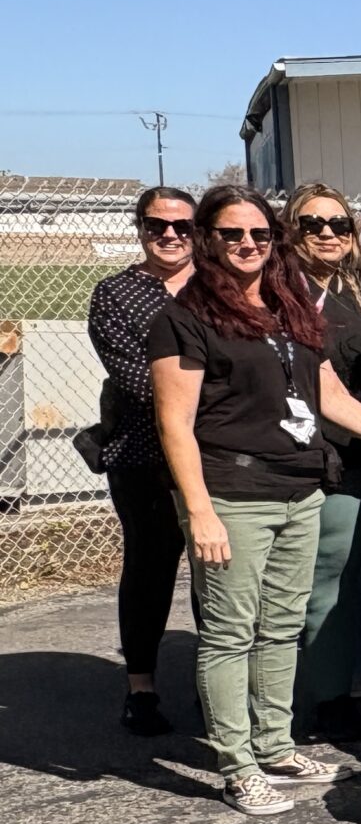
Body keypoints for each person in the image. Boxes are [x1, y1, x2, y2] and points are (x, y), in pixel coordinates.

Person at [150, 186, 361, 814]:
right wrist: (199, 509)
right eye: (232, 235)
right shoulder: (185, 316)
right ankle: (237, 763)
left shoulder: (289, 307)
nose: (248, 245)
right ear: (208, 240)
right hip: (232, 490)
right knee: (231, 632)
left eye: (258, 235)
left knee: (281, 626)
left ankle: (275, 743)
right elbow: (174, 423)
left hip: (300, 487)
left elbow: (325, 392)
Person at [283, 181, 361, 739]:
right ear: (290, 229)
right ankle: (319, 701)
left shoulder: (353, 293)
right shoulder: (283, 291)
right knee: (321, 578)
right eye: (313, 224)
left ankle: (337, 686)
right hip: (313, 456)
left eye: (338, 224)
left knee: (348, 577)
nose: (328, 233)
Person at [87, 185, 196, 735]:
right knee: (151, 568)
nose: (171, 235)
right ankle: (142, 687)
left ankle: (215, 682)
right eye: (158, 225)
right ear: (140, 228)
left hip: (219, 456)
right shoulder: (117, 294)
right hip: (144, 455)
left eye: (182, 226)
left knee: (217, 574)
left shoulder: (218, 287)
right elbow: (136, 380)